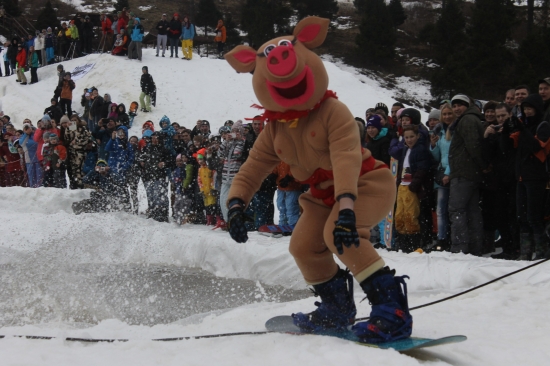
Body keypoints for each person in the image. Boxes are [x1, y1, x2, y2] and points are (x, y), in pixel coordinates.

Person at [224, 16, 411, 343]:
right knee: (303, 247)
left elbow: (346, 158)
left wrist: (348, 209)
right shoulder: (275, 129)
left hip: (364, 185)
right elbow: (253, 166)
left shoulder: (332, 111)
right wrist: (237, 204)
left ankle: (392, 311)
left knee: (340, 235)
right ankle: (336, 309)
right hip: (323, 196)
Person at [502, 94, 550, 260]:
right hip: (522, 176)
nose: (528, 112)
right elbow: (508, 147)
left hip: (536, 177)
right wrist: (508, 129)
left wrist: (522, 130)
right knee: (522, 217)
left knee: (534, 216)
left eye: (530, 108)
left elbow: (536, 147)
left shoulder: (543, 126)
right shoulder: (524, 127)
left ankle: (542, 251)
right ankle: (525, 252)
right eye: (525, 109)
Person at [447, 94, 487, 255]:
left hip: (464, 172)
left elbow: (473, 145)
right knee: (471, 211)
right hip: (470, 172)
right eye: (454, 105)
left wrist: (483, 165)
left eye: (460, 105)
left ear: (467, 105)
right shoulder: (470, 118)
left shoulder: (467, 120)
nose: (457, 108)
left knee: (457, 210)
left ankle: (460, 247)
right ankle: (475, 247)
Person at [394, 125, 432, 252]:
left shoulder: (420, 149)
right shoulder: (405, 150)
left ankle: (413, 242)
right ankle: (402, 240)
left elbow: (422, 169)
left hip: (412, 187)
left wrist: (414, 185)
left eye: (411, 137)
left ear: (417, 136)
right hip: (402, 186)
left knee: (411, 215)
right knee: (400, 214)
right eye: (406, 137)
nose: (409, 140)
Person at [429, 103, 454, 252]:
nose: (447, 117)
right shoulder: (441, 132)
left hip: (452, 173)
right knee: (440, 209)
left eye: (449, 114)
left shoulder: (456, 131)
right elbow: (439, 156)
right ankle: (442, 238)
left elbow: (454, 155)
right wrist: (432, 146)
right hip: (442, 173)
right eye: (444, 115)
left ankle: (451, 237)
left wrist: (448, 173)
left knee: (452, 209)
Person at [138, 132, 173, 222]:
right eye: (153, 138)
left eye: (156, 138)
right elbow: (140, 158)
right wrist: (142, 162)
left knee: (160, 196)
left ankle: (162, 214)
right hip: (148, 176)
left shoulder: (164, 149)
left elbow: (171, 160)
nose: (154, 140)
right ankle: (153, 213)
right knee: (150, 195)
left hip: (160, 176)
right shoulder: (146, 148)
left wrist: (164, 163)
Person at [63, 115, 91, 189]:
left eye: (75, 120)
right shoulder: (71, 129)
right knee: (73, 168)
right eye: (72, 120)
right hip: (72, 152)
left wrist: (77, 142)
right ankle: (75, 183)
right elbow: (66, 138)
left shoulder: (83, 129)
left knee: (80, 167)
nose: (73, 122)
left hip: (80, 151)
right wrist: (68, 128)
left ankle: (81, 183)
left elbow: (87, 139)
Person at [171, 153, 194, 224]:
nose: (179, 162)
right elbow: (174, 179)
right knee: (177, 205)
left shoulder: (185, 168)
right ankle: (178, 218)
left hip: (185, 190)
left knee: (184, 205)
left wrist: (182, 183)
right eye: (177, 161)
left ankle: (184, 219)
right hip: (178, 190)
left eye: (180, 161)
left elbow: (186, 178)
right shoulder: (176, 170)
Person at [197, 153, 218, 225]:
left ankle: (214, 220)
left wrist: (213, 188)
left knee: (213, 205)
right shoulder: (200, 169)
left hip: (211, 191)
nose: (200, 161)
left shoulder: (210, 168)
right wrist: (201, 189)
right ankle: (209, 220)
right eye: (198, 159)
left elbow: (214, 178)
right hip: (205, 192)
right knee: (207, 206)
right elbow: (199, 180)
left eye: (201, 159)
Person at [19, 123, 42, 187]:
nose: (28, 130)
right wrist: (26, 134)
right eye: (26, 128)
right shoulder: (22, 137)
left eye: (28, 128)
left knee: (39, 174)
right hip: (29, 159)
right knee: (31, 175)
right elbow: (22, 144)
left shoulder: (35, 135)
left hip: (37, 158)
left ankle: (39, 186)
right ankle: (32, 186)